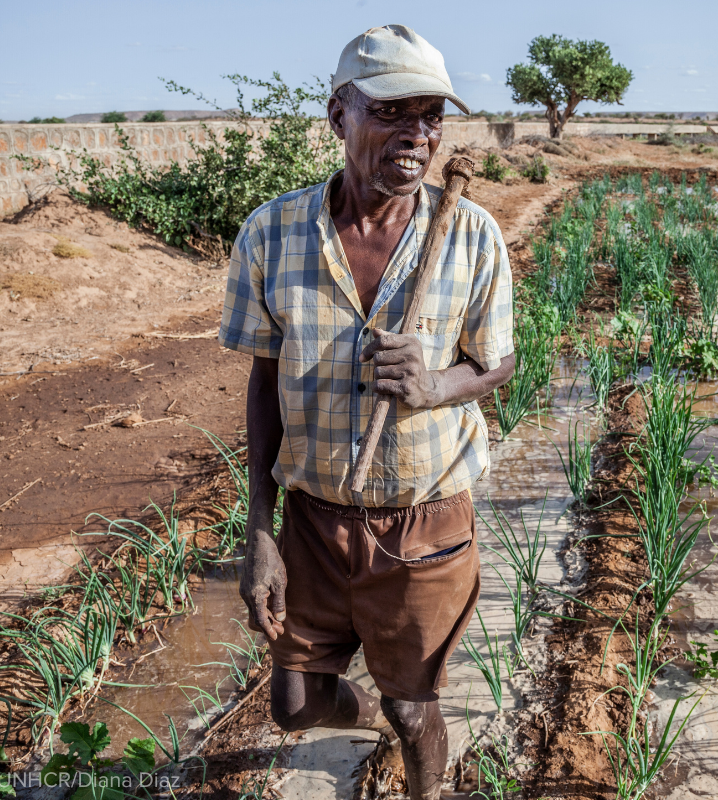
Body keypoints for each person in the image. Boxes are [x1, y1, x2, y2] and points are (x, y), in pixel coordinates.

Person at [217, 25, 515, 799]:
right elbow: (263, 384)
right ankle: (369, 720)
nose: (416, 135)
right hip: (313, 522)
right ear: (337, 114)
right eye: (392, 113)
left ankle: (422, 782)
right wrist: (261, 533)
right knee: (293, 706)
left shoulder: (472, 237)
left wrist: (436, 386)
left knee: (415, 712)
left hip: (424, 521)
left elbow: (498, 362)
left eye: (431, 117)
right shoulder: (273, 233)